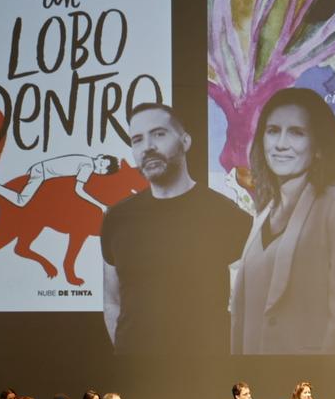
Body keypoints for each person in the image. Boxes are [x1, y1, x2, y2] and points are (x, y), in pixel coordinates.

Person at [100, 103, 249, 355]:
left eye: (159, 134)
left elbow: (250, 303)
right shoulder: (117, 218)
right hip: (135, 369)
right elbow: (112, 300)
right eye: (137, 139)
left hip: (204, 368)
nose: (147, 146)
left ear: (185, 141)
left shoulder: (226, 214)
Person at [232, 88, 335, 354]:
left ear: (319, 147)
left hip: (311, 374)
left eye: (296, 132)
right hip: (255, 373)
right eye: (273, 130)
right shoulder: (265, 211)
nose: (280, 144)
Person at [0, 153, 121, 212]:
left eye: (102, 171)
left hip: (42, 170)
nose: (99, 168)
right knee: (21, 201)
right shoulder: (88, 166)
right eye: (102, 164)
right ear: (100, 157)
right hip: (41, 172)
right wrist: (100, 205)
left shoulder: (86, 160)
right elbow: (79, 190)